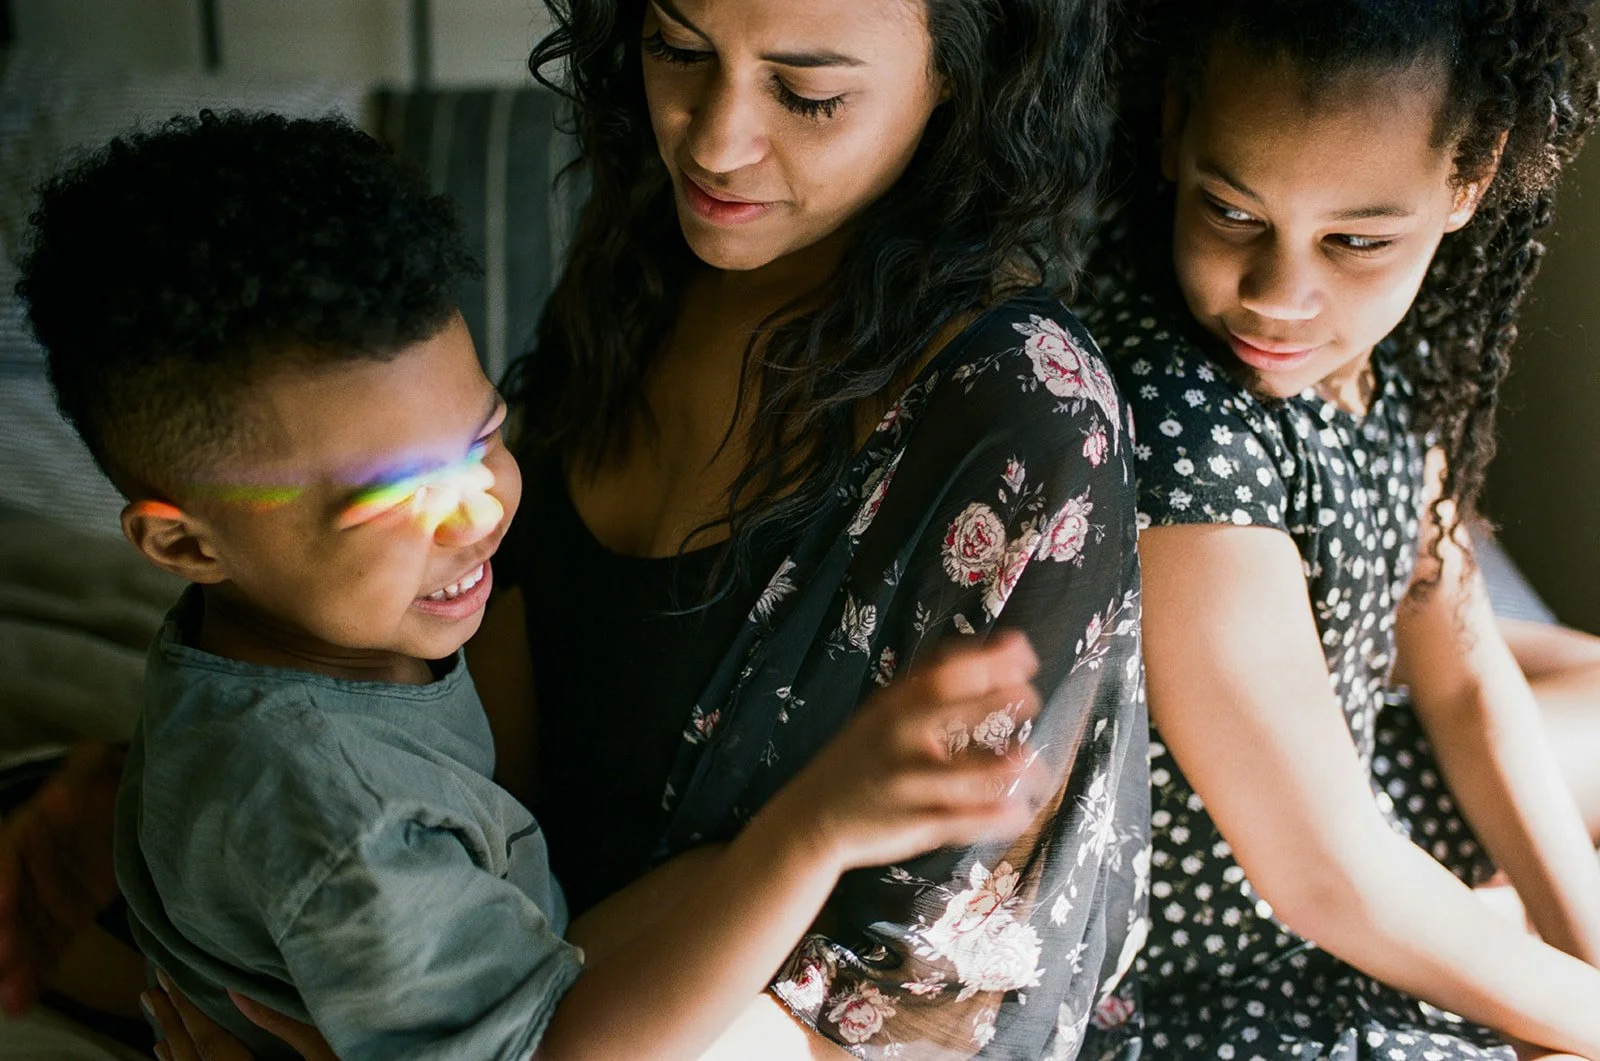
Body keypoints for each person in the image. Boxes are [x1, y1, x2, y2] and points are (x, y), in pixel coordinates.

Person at [6, 0, 1151, 1058]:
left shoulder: (1023, 428)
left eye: (806, 93)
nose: (709, 143)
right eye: (677, 49)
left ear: (961, 76)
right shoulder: (648, 255)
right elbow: (432, 714)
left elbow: (942, 1005)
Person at [1079, 0, 1600, 1056]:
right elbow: (1327, 871)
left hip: (1345, 796)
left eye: (1357, 239)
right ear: (1175, 126)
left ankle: (1491, 928)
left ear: (1470, 176)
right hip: (1218, 950)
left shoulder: (1383, 363)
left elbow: (1458, 678)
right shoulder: (1175, 426)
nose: (1280, 297)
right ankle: (1478, 934)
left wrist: (1583, 957)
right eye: (1232, 214)